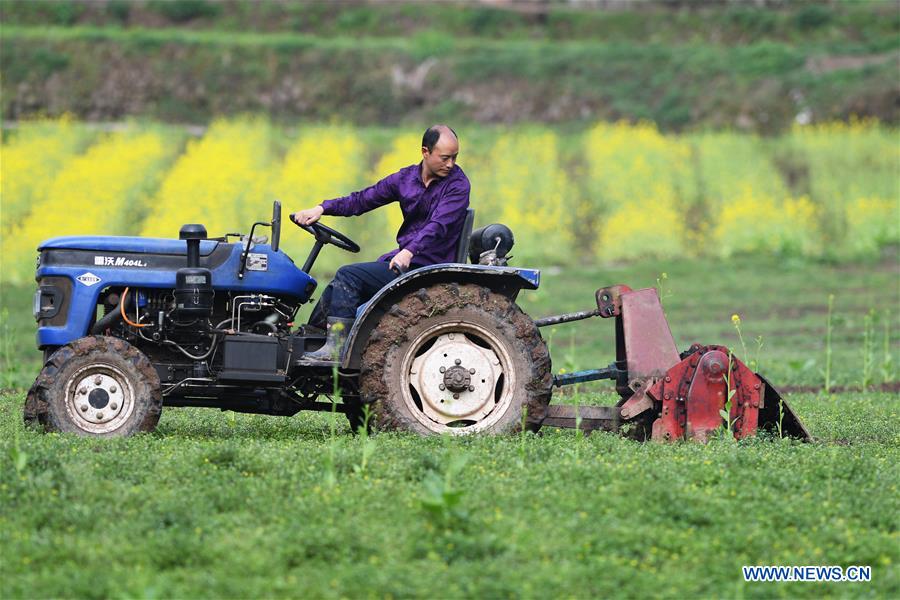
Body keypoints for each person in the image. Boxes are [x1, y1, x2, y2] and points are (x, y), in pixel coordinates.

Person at [290, 125, 470, 362]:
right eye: (445, 158)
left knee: (349, 275)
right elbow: (362, 199)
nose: (450, 164)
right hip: (406, 261)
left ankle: (335, 351)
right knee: (337, 286)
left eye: (454, 158)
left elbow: (438, 226)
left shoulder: (458, 185)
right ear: (425, 152)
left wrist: (409, 250)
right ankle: (310, 340)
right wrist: (322, 208)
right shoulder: (405, 179)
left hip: (429, 266)